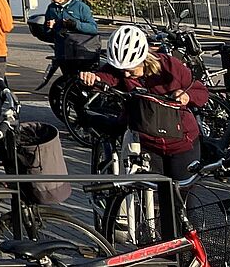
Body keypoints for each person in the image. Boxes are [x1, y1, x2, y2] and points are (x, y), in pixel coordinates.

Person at [80, 25, 209, 182]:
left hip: (182, 142)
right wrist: (92, 79)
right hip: (147, 143)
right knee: (151, 196)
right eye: (122, 70)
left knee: (183, 196)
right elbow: (104, 77)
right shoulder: (119, 71)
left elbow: (201, 93)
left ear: (143, 59)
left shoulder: (171, 66)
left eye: (130, 70)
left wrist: (187, 95)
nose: (126, 74)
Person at [43, 0, 99, 68]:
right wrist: (49, 27)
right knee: (67, 78)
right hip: (61, 52)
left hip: (79, 52)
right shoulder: (51, 8)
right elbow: (46, 32)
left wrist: (75, 24)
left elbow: (93, 28)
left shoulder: (80, 7)